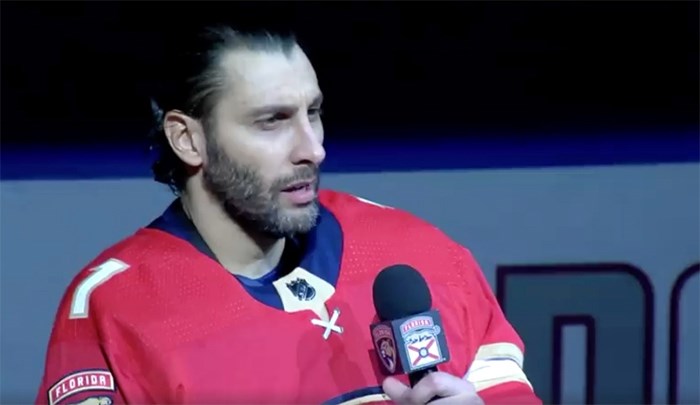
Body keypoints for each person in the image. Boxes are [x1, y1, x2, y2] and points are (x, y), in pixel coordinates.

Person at [35, 25, 541, 405]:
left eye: (313, 113)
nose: (313, 149)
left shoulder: (421, 254)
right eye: (272, 121)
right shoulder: (113, 306)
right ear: (188, 139)